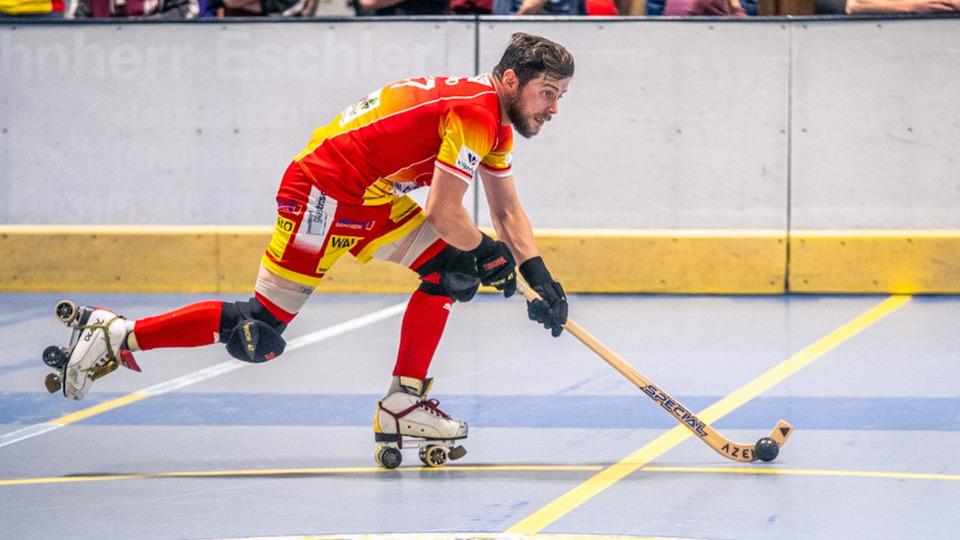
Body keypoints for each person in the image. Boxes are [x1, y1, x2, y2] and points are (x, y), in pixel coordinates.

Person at [51, 32, 573, 461]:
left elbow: (505, 212)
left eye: (560, 96)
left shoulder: (494, 124)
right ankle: (118, 335)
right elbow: (444, 212)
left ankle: (402, 405)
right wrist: (488, 254)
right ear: (511, 80)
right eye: (546, 93)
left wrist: (539, 275)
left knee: (450, 271)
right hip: (321, 195)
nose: (553, 108)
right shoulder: (476, 113)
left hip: (368, 196)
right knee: (260, 326)